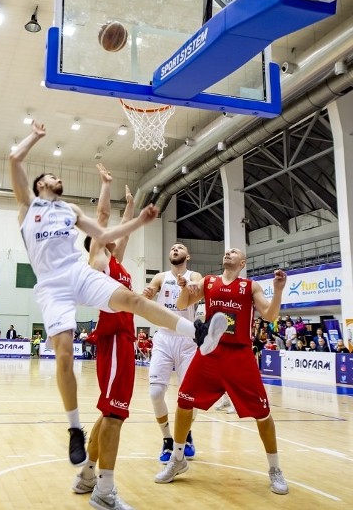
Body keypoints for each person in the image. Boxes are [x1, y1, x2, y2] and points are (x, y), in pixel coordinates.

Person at [8, 121, 216, 467]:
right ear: (41, 184)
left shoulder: (69, 211)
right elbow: (14, 159)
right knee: (63, 354)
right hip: (51, 284)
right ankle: (75, 428)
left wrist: (139, 221)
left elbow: (105, 229)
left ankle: (195, 331)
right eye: (51, 177)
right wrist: (36, 135)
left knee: (134, 300)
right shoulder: (27, 206)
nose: (59, 180)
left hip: (77, 272)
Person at [155, 248, 290, 496]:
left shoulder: (250, 286)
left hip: (240, 356)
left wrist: (278, 290)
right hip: (209, 353)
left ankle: (275, 470)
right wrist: (185, 287)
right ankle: (177, 458)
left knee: (262, 413)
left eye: (234, 252)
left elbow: (270, 314)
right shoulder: (208, 281)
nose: (228, 252)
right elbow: (182, 303)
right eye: (226, 251)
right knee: (184, 402)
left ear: (243, 262)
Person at [72, 163, 137, 509]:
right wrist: (106, 184)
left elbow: (124, 234)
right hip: (112, 342)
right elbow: (101, 215)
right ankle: (104, 491)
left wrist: (130, 207)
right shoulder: (97, 259)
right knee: (114, 416)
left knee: (110, 412)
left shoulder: (118, 264)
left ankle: (86, 474)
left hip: (125, 342)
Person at [142, 242, 202, 462]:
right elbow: (147, 296)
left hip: (187, 341)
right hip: (164, 339)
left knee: (189, 398)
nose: (175, 249)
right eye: (172, 248)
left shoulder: (195, 275)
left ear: (188, 255)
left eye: (180, 247)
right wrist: (147, 293)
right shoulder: (160, 277)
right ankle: (168, 439)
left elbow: (197, 285)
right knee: (156, 393)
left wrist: (188, 284)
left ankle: (185, 435)